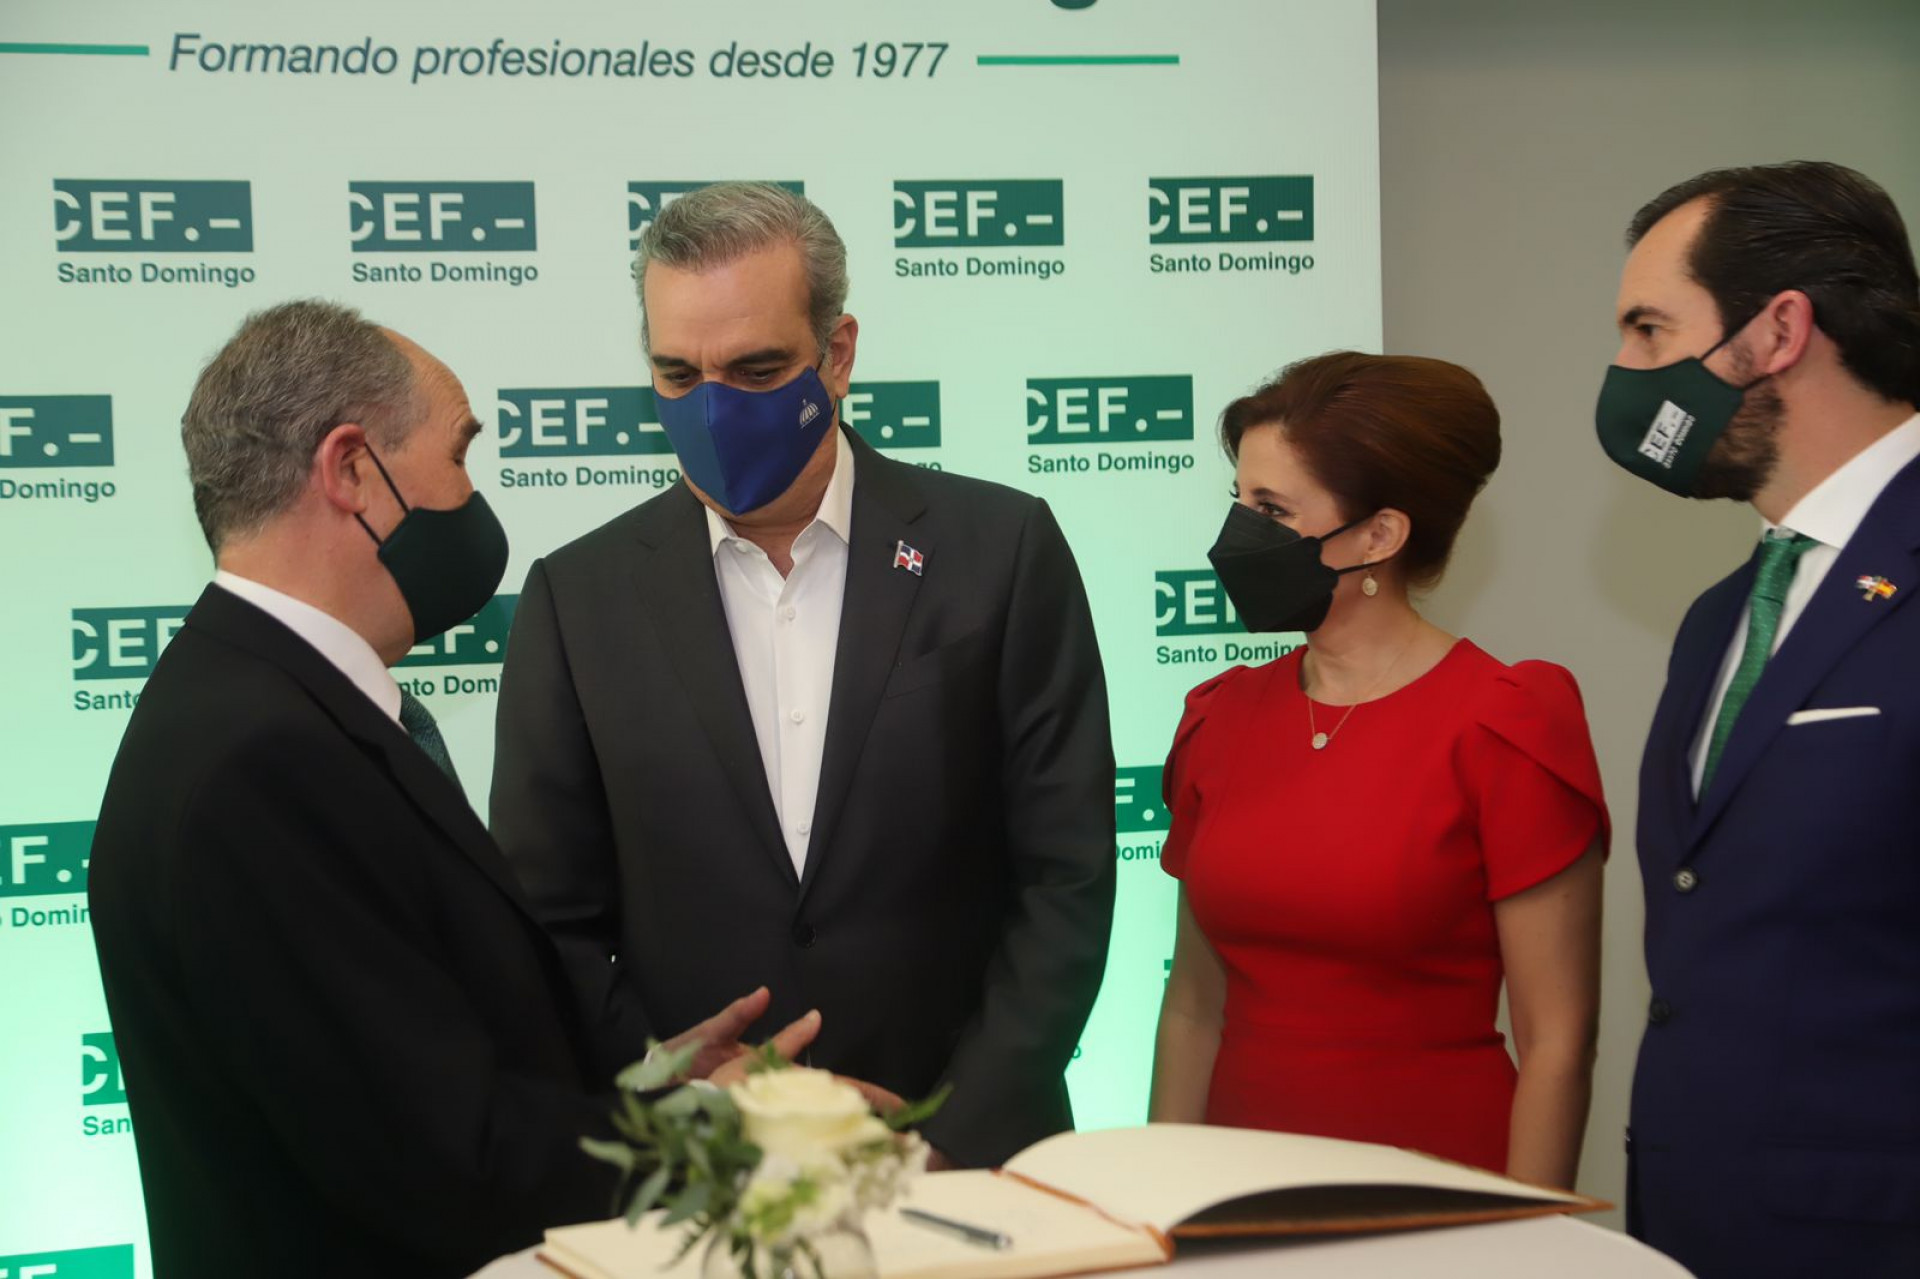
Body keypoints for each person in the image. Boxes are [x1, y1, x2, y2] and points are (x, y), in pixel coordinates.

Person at [88, 300, 820, 1278]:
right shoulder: (260, 762)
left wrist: (653, 1085)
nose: (472, 495)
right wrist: (715, 1134)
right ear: (353, 471)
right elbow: (437, 1162)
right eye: (459, 452)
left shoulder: (260, 703)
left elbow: (414, 1060)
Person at [489, 182, 1115, 1170]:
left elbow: (1065, 875)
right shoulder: (579, 597)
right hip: (702, 1174)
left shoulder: (1001, 551)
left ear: (839, 352)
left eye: (756, 369)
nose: (715, 407)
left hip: (974, 1162)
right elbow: (546, 917)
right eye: (678, 373)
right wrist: (680, 1086)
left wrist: (949, 1133)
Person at [1149, 352, 1607, 1188]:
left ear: (1380, 536)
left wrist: (1532, 1232)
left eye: (1271, 510)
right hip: (1238, 1186)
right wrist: (1158, 1197)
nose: (1237, 535)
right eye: (1238, 502)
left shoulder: (1505, 723)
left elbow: (1557, 1043)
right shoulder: (1221, 716)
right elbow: (1191, 1006)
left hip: (1437, 1188)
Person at [1601, 162, 1920, 1278]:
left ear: (1780, 329)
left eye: (1650, 329)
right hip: (1694, 1223)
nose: (1625, 373)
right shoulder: (1720, 615)